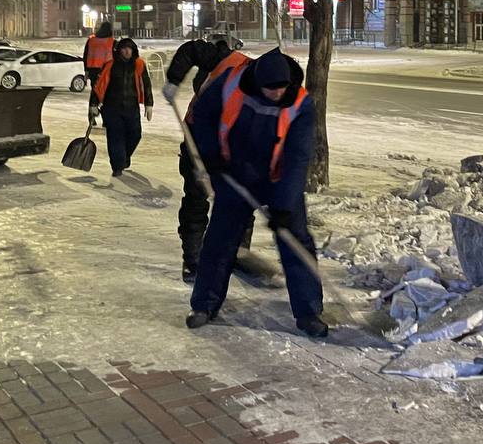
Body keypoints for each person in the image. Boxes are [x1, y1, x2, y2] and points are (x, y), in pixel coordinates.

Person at [185, 48, 326, 338]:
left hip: (278, 180)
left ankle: (308, 312)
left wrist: (284, 206)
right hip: (234, 174)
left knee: (296, 242)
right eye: (270, 88)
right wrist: (211, 154)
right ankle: (204, 305)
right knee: (220, 241)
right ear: (258, 82)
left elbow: (298, 158)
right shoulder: (230, 83)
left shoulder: (301, 104)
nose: (277, 93)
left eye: (282, 88)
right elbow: (203, 114)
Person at [162, 34, 243, 282]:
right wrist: (174, 80)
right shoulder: (224, 60)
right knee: (196, 199)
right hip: (197, 137)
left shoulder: (264, 96)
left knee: (239, 200)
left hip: (231, 143)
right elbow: (191, 50)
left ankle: (237, 252)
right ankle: (193, 259)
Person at [89, 37, 153, 176]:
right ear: (119, 51)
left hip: (131, 107)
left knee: (135, 134)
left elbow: (146, 84)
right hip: (112, 108)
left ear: (134, 50)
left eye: (129, 48)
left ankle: (124, 156)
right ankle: (117, 166)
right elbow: (99, 85)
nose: (127, 51)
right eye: (124, 49)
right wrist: (93, 104)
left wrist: (149, 104)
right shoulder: (110, 65)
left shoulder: (139, 65)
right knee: (115, 137)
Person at [83, 21, 115, 89]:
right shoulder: (112, 41)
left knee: (95, 89)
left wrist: (86, 70)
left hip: (92, 70)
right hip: (107, 69)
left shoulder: (91, 40)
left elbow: (85, 55)